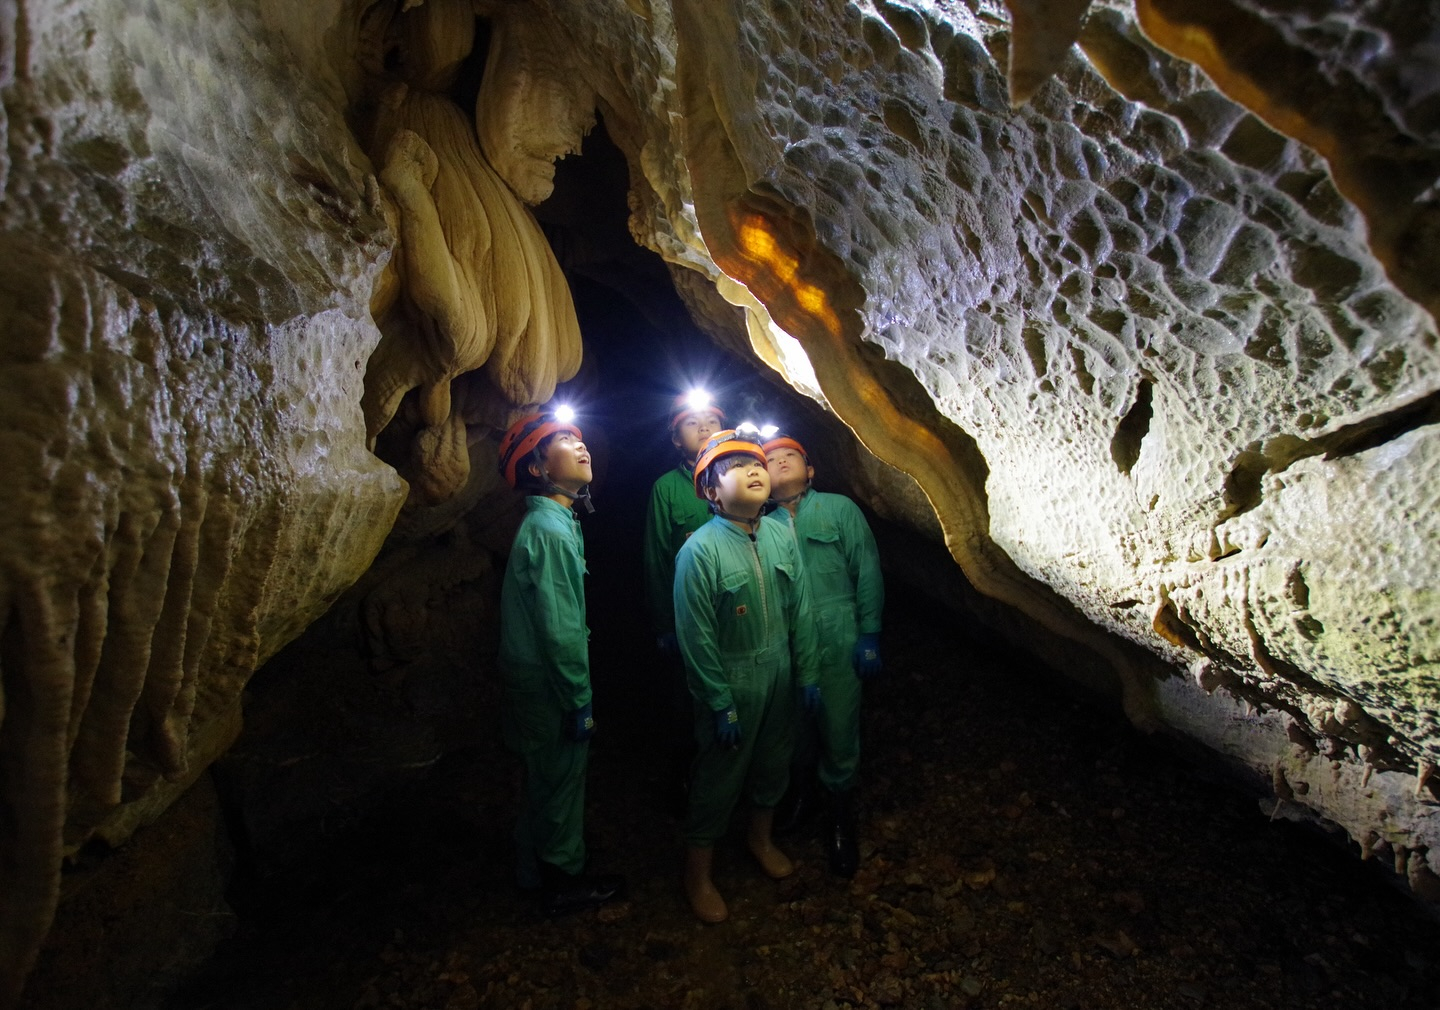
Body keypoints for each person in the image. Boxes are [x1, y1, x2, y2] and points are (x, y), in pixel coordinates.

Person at [673, 426, 821, 922]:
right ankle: (698, 875)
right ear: (711, 492)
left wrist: (808, 672)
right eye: (735, 467)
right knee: (719, 776)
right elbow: (697, 639)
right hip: (733, 678)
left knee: (773, 762)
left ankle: (760, 840)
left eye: (756, 463)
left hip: (780, 669)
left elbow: (801, 608)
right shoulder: (699, 552)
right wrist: (719, 702)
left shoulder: (780, 533)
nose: (753, 471)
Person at [496, 406, 625, 916]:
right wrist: (578, 698)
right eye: (565, 442)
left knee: (541, 776)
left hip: (530, 678)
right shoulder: (550, 530)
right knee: (560, 779)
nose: (581, 444)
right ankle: (563, 881)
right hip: (547, 685)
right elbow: (560, 627)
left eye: (579, 438)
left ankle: (532, 873)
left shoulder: (551, 521)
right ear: (537, 467)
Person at [764, 432, 884, 878]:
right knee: (794, 726)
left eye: (789, 455)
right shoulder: (763, 527)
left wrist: (869, 633)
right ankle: (802, 796)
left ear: (810, 470)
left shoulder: (839, 509)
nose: (779, 461)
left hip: (838, 631)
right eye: (770, 459)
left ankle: (840, 816)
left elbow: (866, 568)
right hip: (789, 638)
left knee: (838, 724)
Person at [642, 390, 726, 809]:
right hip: (688, 617)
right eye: (692, 422)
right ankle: (683, 779)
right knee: (687, 701)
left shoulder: (744, 474)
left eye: (711, 419)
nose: (704, 426)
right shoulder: (667, 489)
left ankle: (729, 780)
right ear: (676, 438)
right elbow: (656, 557)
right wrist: (664, 624)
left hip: (735, 615)